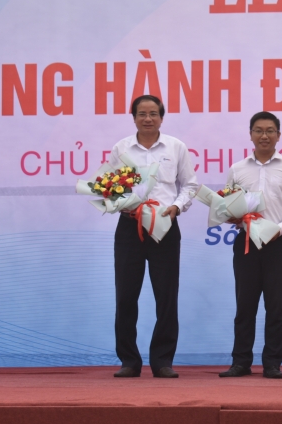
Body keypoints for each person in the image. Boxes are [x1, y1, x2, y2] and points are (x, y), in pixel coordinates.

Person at [111, 95, 198, 379]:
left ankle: (162, 361)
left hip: (164, 226)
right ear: (133, 117)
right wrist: (118, 200)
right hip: (129, 227)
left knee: (166, 296)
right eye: (141, 113)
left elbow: (190, 185)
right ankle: (129, 361)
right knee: (126, 296)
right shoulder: (121, 148)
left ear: (161, 117)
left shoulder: (175, 147)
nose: (147, 118)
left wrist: (177, 207)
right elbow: (111, 186)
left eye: (153, 113)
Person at [218, 112, 282, 379]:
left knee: (275, 306)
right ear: (251, 134)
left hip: (278, 244)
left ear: (279, 135)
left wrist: (278, 229)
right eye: (258, 130)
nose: (264, 135)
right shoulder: (237, 169)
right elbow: (227, 203)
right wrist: (230, 215)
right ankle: (240, 361)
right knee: (244, 305)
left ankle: (272, 363)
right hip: (245, 243)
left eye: (270, 130)